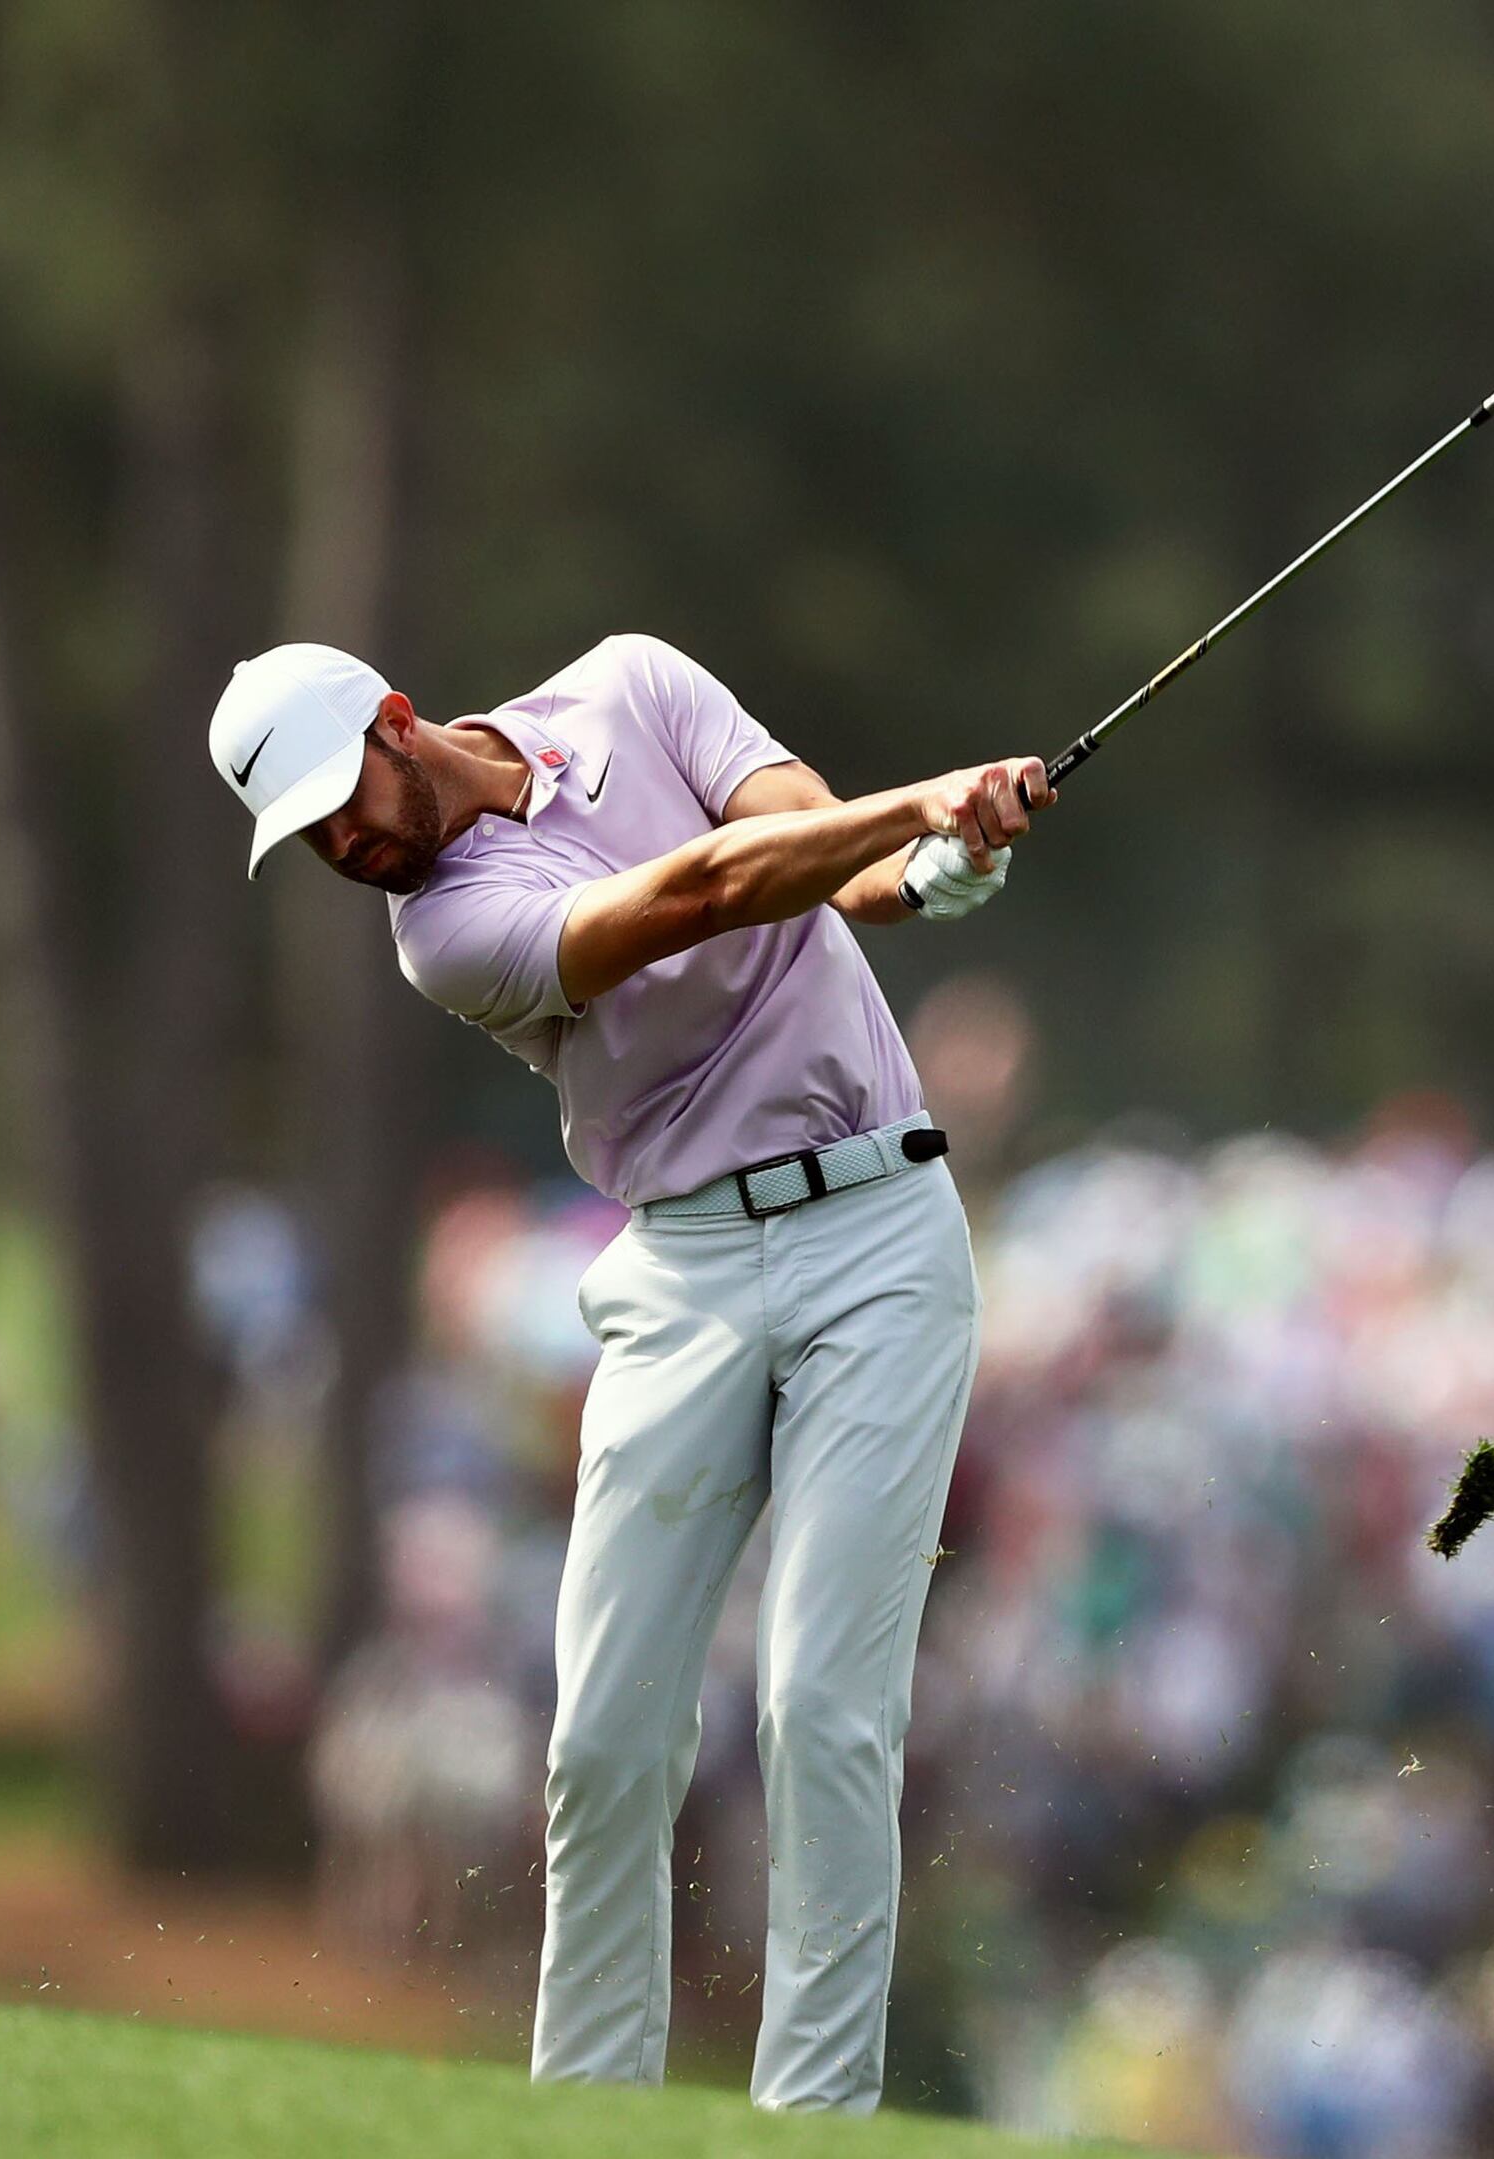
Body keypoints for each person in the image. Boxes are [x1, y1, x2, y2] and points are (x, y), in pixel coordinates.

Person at [210, 634, 1047, 2111]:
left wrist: (931, 867)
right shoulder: (444, 932)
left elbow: (812, 854)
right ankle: (589, 2121)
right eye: (314, 838)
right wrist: (920, 806)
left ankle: (815, 2123)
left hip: (881, 1239)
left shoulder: (633, 687)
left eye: (346, 796)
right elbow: (703, 892)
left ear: (397, 722)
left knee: (822, 1709)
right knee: (604, 1737)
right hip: (683, 1270)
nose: (347, 843)